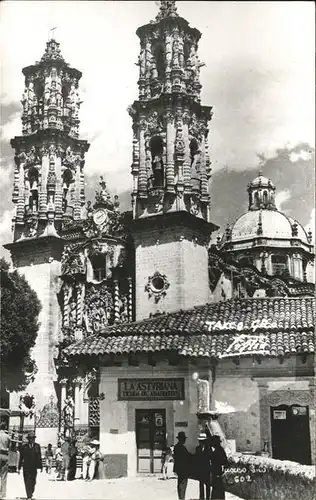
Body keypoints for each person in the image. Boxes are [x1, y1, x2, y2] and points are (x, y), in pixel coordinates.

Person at [18, 431, 42, 500]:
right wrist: (19, 467)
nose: (32, 439)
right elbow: (21, 457)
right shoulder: (24, 447)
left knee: (33, 481)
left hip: (34, 467)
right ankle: (29, 495)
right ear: (28, 439)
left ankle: (30, 492)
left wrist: (40, 466)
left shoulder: (37, 446)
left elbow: (39, 456)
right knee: (27, 481)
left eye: (33, 438)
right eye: (31, 438)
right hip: (26, 467)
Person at [173, 432, 191, 500]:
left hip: (179, 468)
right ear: (181, 439)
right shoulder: (182, 448)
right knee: (183, 484)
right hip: (183, 468)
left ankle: (181, 497)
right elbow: (186, 457)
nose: (185, 440)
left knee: (180, 484)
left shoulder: (176, 447)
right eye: (184, 439)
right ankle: (182, 498)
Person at [210, 436, 228, 500]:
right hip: (216, 471)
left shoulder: (219, 450)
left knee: (218, 488)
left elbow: (225, 461)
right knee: (217, 488)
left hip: (218, 471)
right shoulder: (218, 450)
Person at [195, 432, 212, 500]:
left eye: (202, 441)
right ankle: (201, 498)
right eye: (200, 441)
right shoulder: (197, 448)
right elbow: (196, 459)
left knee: (208, 485)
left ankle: (208, 498)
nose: (201, 442)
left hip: (207, 469)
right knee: (201, 484)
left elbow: (210, 457)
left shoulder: (208, 448)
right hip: (200, 469)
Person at [0, 421, 10, 499]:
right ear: (5, 427)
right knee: (4, 476)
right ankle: (3, 494)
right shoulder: (7, 436)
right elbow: (9, 446)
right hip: (4, 455)